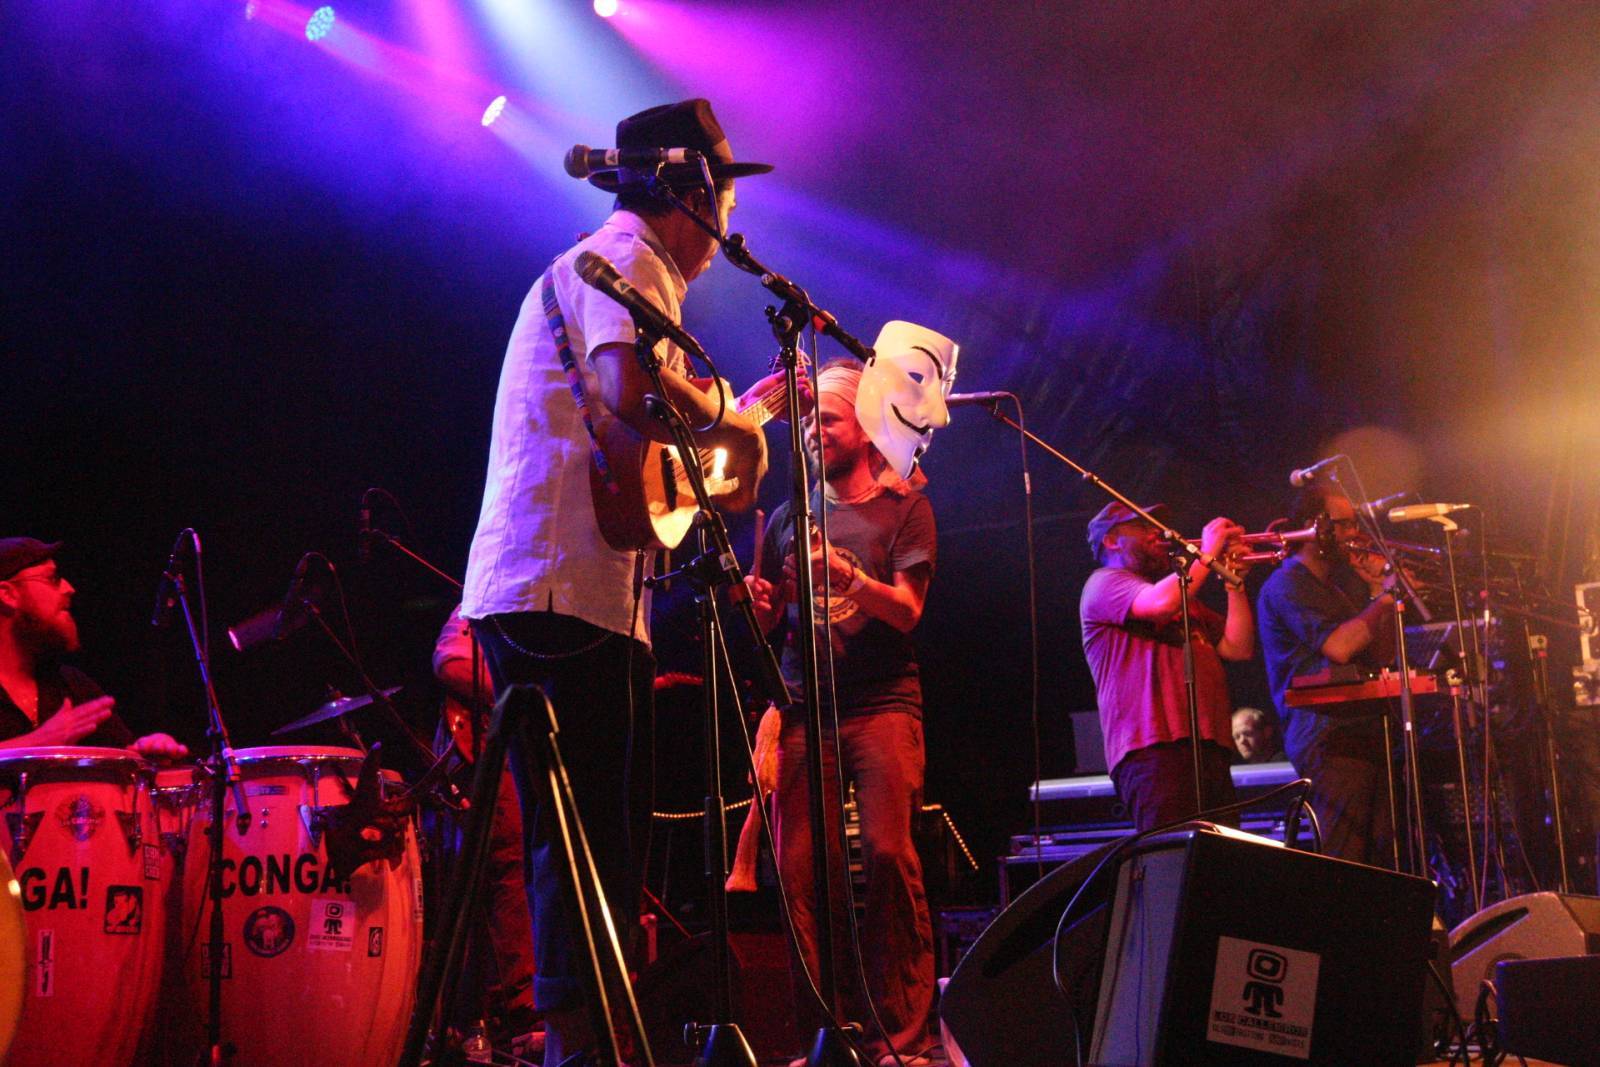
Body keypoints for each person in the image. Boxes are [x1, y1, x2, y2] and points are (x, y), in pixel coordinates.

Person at [460, 99, 772, 1066]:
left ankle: (589, 1042)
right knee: (586, 840)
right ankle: (581, 1050)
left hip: (572, 588)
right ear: (693, 194)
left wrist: (723, 446)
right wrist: (728, 415)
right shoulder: (629, 255)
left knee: (593, 840)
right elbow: (623, 390)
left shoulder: (622, 267)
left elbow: (638, 450)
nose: (726, 229)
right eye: (723, 201)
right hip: (560, 591)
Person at [747, 354, 941, 1067]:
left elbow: (908, 611)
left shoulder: (904, 507)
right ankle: (826, 1037)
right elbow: (774, 619)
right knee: (801, 872)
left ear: (861, 426)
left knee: (888, 855)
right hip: (806, 709)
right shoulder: (788, 517)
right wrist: (762, 608)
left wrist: (849, 577)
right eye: (807, 422)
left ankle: (906, 1038)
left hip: (882, 703)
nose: (813, 431)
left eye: (826, 420)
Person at [1079, 503, 1255, 830]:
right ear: (1112, 541)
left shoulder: (1184, 598)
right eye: (1142, 526)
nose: (1156, 533)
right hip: (1154, 748)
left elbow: (1238, 647)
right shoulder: (1104, 583)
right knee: (1172, 856)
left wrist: (1235, 584)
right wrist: (1207, 553)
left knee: (1221, 857)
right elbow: (1161, 604)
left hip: (1209, 746)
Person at [1257, 484, 1400, 866]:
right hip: (1326, 737)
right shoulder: (1287, 584)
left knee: (1382, 858)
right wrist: (1386, 597)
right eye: (1345, 524)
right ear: (1314, 527)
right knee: (1348, 859)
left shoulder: (1333, 590)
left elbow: (1381, 655)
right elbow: (1338, 648)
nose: (1354, 533)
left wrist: (1377, 592)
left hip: (1356, 731)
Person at [432, 605, 539, 1053]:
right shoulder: (486, 596)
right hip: (492, 754)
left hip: (529, 756)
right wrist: (525, 695)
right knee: (509, 867)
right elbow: (450, 660)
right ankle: (520, 1010)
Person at [0, 537, 188, 759]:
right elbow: (45, 742)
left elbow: (118, 760)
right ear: (8, 594)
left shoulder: (72, 685)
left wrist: (145, 754)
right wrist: (38, 743)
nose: (69, 588)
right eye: (52, 578)